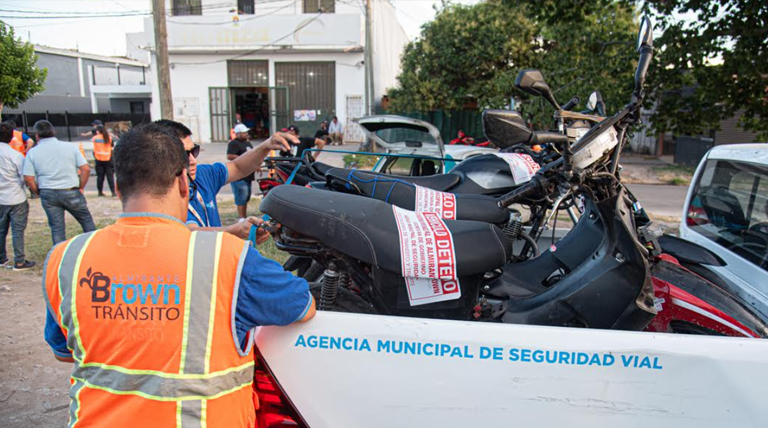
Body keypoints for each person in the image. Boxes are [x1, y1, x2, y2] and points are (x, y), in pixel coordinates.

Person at [41, 123, 315, 427]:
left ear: (118, 188)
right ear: (184, 182)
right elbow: (301, 305)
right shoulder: (229, 257)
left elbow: (64, 352)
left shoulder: (66, 258)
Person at [154, 120, 295, 238]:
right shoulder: (159, 193)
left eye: (194, 151)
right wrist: (236, 230)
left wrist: (266, 145)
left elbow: (238, 167)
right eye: (184, 155)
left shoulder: (201, 174)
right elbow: (189, 233)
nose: (192, 160)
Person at [23, 120, 96, 245]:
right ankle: (93, 248)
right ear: (54, 132)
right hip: (70, 190)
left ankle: (59, 255)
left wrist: (38, 191)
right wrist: (80, 186)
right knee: (86, 220)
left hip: (48, 192)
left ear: (37, 135)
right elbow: (85, 169)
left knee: (57, 228)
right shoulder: (69, 147)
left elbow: (28, 177)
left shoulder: (33, 152)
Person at [0, 122, 34, 270]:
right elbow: (24, 176)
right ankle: (19, 260)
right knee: (17, 230)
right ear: (11, 138)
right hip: (15, 197)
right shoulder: (15, 155)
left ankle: (1, 258)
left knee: (1, 229)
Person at [227, 124, 255, 220]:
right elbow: (230, 156)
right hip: (239, 176)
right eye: (244, 133)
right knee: (241, 198)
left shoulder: (247, 143)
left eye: (246, 132)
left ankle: (244, 216)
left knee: (246, 197)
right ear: (238, 133)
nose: (246, 134)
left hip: (248, 175)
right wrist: (243, 159)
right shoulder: (234, 143)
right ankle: (241, 218)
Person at [92, 126, 116, 197]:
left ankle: (100, 192)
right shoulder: (109, 138)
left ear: (98, 131)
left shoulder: (95, 138)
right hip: (108, 158)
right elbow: (112, 145)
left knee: (100, 177)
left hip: (98, 159)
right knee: (110, 177)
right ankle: (113, 192)